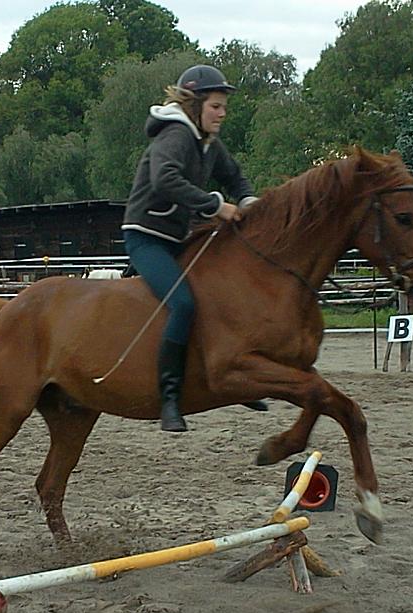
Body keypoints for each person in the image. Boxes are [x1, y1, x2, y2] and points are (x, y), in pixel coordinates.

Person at [121, 64, 264, 432]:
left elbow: (234, 176)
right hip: (146, 237)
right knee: (183, 303)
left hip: (177, 239)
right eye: (216, 106)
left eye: (223, 106)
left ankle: (231, 372)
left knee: (221, 294)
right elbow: (165, 179)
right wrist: (216, 206)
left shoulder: (207, 143)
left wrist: (248, 201)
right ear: (196, 104)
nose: (222, 113)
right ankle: (169, 397)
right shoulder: (176, 135)